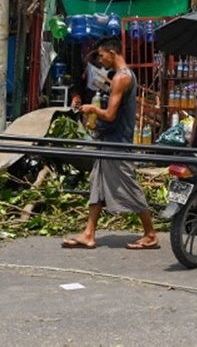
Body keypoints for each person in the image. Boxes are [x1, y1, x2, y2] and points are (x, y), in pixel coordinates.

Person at [61, 37, 159, 251]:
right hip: (108, 141)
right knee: (97, 185)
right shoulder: (117, 76)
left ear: (112, 53)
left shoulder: (122, 78)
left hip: (117, 143)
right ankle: (89, 234)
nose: (100, 59)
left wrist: (92, 109)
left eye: (102, 55)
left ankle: (150, 234)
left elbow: (110, 114)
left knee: (129, 186)